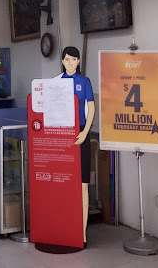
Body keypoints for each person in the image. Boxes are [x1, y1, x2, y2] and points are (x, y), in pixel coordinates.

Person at [60, 46, 95, 246]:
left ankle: (82, 233)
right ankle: (65, 227)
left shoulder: (84, 82)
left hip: (81, 133)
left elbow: (91, 108)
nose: (70, 63)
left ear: (78, 61)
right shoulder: (57, 82)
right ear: (62, 61)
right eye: (67, 59)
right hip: (62, 133)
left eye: (74, 59)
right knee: (64, 183)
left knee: (83, 185)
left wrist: (85, 132)